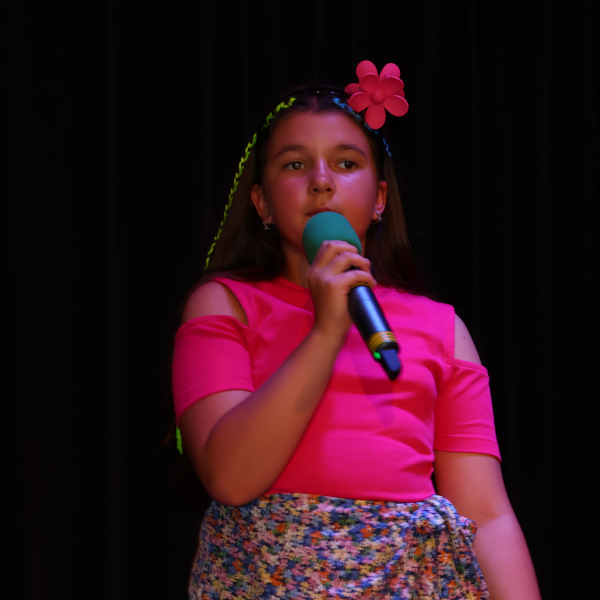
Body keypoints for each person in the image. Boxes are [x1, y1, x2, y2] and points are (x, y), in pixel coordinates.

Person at [171, 61, 541, 599]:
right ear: (262, 203)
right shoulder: (225, 304)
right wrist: (326, 332)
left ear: (380, 199)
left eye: (346, 163)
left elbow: (485, 513)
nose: (322, 180)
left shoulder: (441, 327)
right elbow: (230, 477)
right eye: (295, 164)